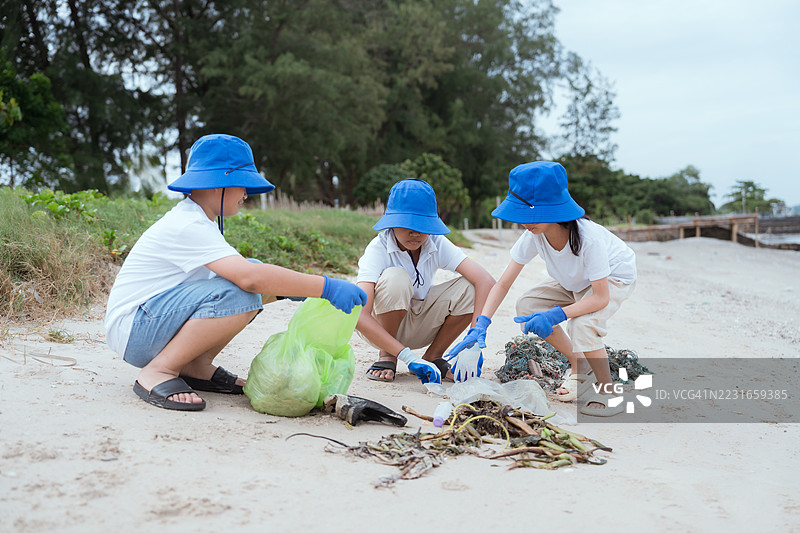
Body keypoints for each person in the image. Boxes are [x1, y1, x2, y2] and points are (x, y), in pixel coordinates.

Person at [104, 134, 366, 412]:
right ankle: (159, 371)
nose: (245, 195)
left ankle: (195, 366)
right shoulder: (187, 224)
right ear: (220, 183)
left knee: (247, 277)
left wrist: (290, 289)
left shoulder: (199, 220)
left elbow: (250, 272)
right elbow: (249, 279)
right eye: (242, 185)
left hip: (148, 324)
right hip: (136, 331)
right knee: (241, 288)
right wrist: (326, 287)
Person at [447, 161, 636, 416]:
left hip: (612, 277)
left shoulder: (589, 239)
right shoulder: (534, 235)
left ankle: (607, 389)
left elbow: (600, 297)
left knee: (582, 325)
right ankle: (578, 363)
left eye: (533, 214)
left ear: (556, 208)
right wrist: (481, 324)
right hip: (572, 281)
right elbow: (503, 283)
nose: (527, 222)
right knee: (527, 304)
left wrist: (557, 314)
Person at [355, 179, 495, 384]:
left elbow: (486, 281)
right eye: (407, 225)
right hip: (382, 327)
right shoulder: (378, 248)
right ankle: (388, 355)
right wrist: (406, 355)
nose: (416, 233)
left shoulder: (435, 242)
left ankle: (434, 356)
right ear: (392, 223)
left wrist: (475, 336)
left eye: (422, 225)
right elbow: (359, 315)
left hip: (422, 325)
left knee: (470, 287)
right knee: (396, 277)